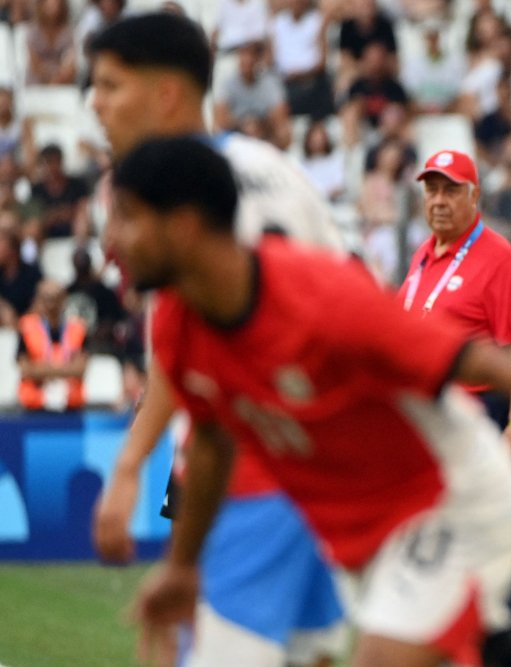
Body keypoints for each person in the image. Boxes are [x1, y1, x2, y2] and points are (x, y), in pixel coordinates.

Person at [109, 135, 511, 667]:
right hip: (366, 520)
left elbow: (492, 359)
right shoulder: (177, 326)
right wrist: (184, 567)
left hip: (453, 499)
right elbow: (214, 440)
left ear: (186, 224)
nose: (113, 240)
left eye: (130, 217)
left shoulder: (317, 295)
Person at [88, 13, 347, 667]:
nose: (96, 103)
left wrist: (126, 469)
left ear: (166, 94)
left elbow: (206, 354)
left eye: (111, 85)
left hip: (251, 469)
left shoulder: (186, 200)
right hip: (308, 466)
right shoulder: (276, 171)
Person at [398, 148, 511, 666]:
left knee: (490, 576)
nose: (438, 200)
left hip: (477, 423)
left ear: (473, 195)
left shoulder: (499, 259)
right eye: (431, 189)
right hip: (427, 431)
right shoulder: (422, 255)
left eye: (450, 189)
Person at [17, 278, 89, 411]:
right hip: (35, 409)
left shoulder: (78, 328)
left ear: (64, 299)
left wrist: (40, 370)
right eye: (46, 298)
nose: (51, 304)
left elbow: (80, 370)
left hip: (71, 409)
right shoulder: (26, 327)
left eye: (55, 298)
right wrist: (66, 369)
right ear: (38, 300)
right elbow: (25, 370)